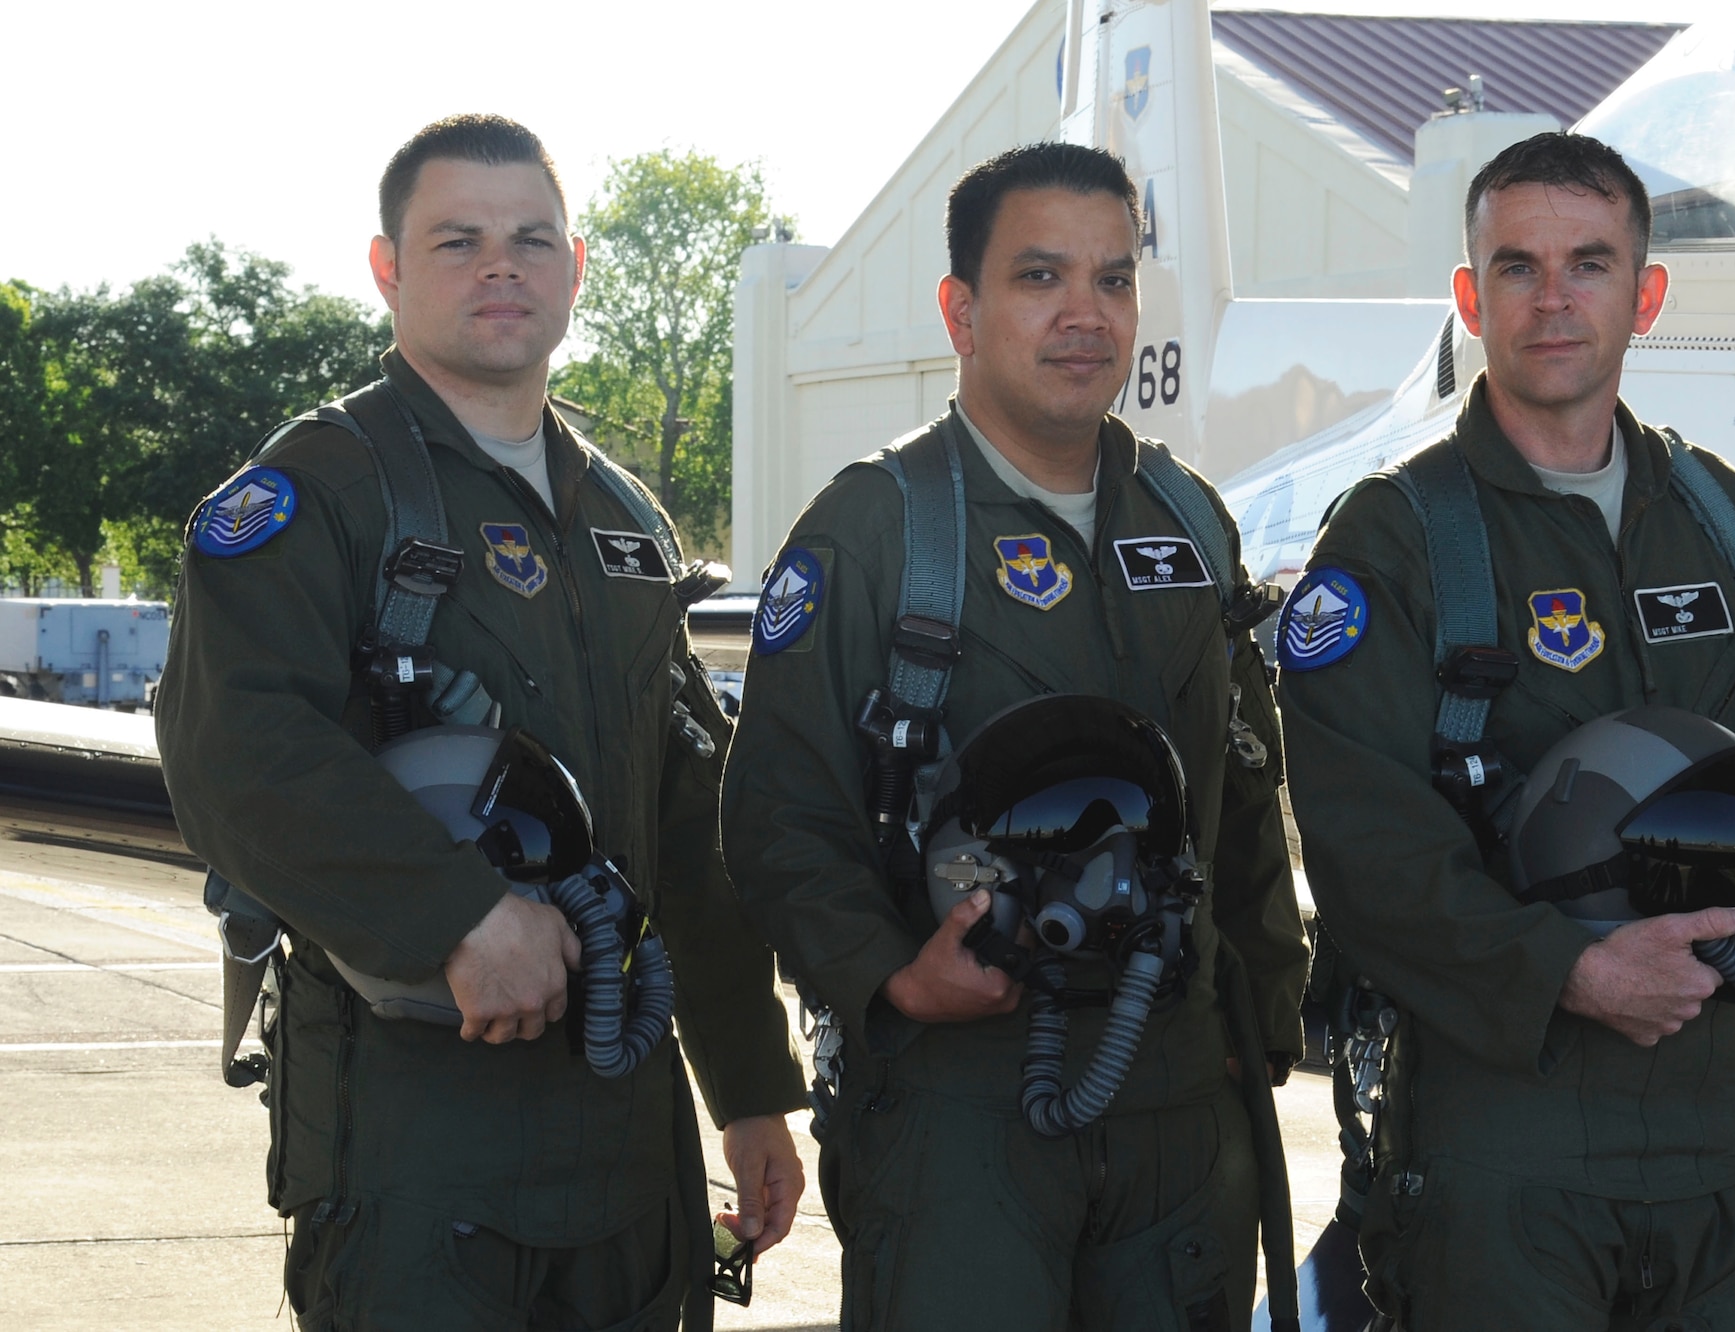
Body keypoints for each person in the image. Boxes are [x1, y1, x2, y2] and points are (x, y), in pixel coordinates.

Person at [155, 115, 807, 1331]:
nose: (500, 266)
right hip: (412, 1140)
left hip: (623, 1141)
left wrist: (747, 1087)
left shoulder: (624, 522)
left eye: (530, 239)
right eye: (457, 240)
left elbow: (686, 820)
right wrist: (454, 912)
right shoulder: (318, 491)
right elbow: (230, 749)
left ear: (574, 268)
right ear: (387, 269)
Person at [719, 143, 1309, 1331]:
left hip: (1177, 1104)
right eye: (1039, 277)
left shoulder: (1187, 521)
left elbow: (1241, 797)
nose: (1083, 316)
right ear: (961, 310)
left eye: (1112, 279)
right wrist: (890, 977)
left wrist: (1257, 1028)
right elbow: (775, 810)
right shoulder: (876, 530)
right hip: (957, 1110)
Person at [1277, 131, 1735, 1330]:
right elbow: (1362, 844)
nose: (1552, 299)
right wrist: (1569, 973)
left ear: (1645, 294)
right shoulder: (1393, 538)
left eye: (1588, 263)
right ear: (1468, 297)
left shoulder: (1712, 512)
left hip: (1722, 1129)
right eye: (1517, 267)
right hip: (1507, 1136)